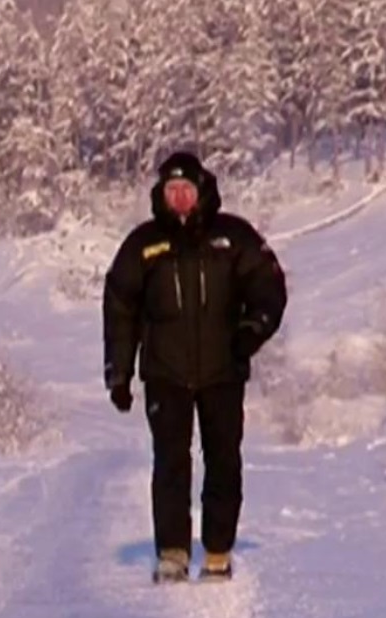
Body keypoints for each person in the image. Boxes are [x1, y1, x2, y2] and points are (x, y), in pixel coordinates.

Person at [102, 150, 288, 583]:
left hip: (223, 372)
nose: (180, 198)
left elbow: (269, 287)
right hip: (165, 375)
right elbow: (119, 308)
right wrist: (119, 372)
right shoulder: (144, 245)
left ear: (201, 189)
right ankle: (173, 552)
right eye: (172, 191)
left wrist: (251, 331)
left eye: (187, 189)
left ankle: (218, 549)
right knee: (170, 463)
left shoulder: (232, 237)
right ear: (161, 196)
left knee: (223, 460)